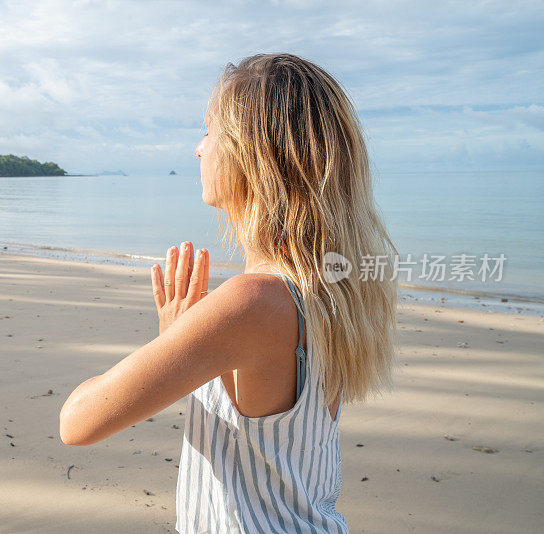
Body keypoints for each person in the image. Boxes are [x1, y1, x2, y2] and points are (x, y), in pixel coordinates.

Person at [60, 53, 399, 533]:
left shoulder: (254, 302)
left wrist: (171, 342)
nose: (198, 149)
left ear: (252, 152)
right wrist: (184, 337)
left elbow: (77, 422)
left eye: (209, 131)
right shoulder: (330, 288)